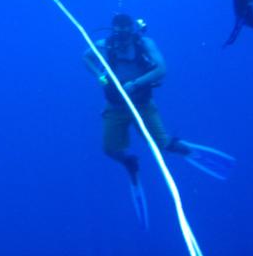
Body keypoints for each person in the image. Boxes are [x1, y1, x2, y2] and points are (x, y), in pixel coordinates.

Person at [82, 14, 235, 191]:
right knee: (110, 149)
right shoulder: (105, 45)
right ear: (114, 33)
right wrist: (99, 76)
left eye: (126, 35)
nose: (122, 40)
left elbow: (162, 69)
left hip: (142, 104)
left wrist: (136, 83)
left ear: (132, 32)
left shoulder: (144, 44)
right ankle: (129, 162)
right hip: (115, 106)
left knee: (161, 143)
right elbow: (85, 57)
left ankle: (184, 149)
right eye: (119, 36)